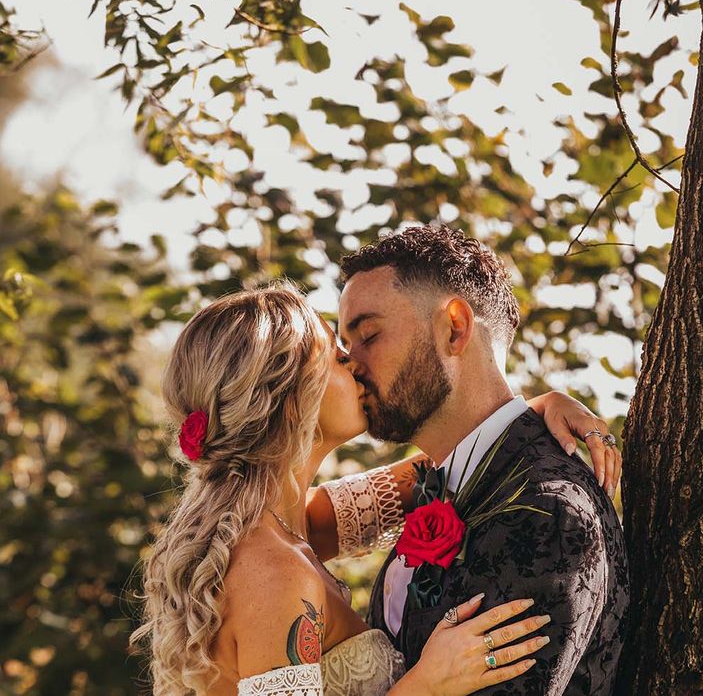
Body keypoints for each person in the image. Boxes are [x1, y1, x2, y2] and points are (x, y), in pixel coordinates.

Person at [130, 281, 621, 695]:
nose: (356, 364)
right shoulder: (272, 570)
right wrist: (426, 685)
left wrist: (536, 408)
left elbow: (456, 455)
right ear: (294, 400)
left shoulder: (294, 524)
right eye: (334, 356)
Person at [336, 223, 630, 694]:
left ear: (455, 327)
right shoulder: (447, 479)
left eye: (367, 335)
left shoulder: (547, 513)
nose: (350, 363)